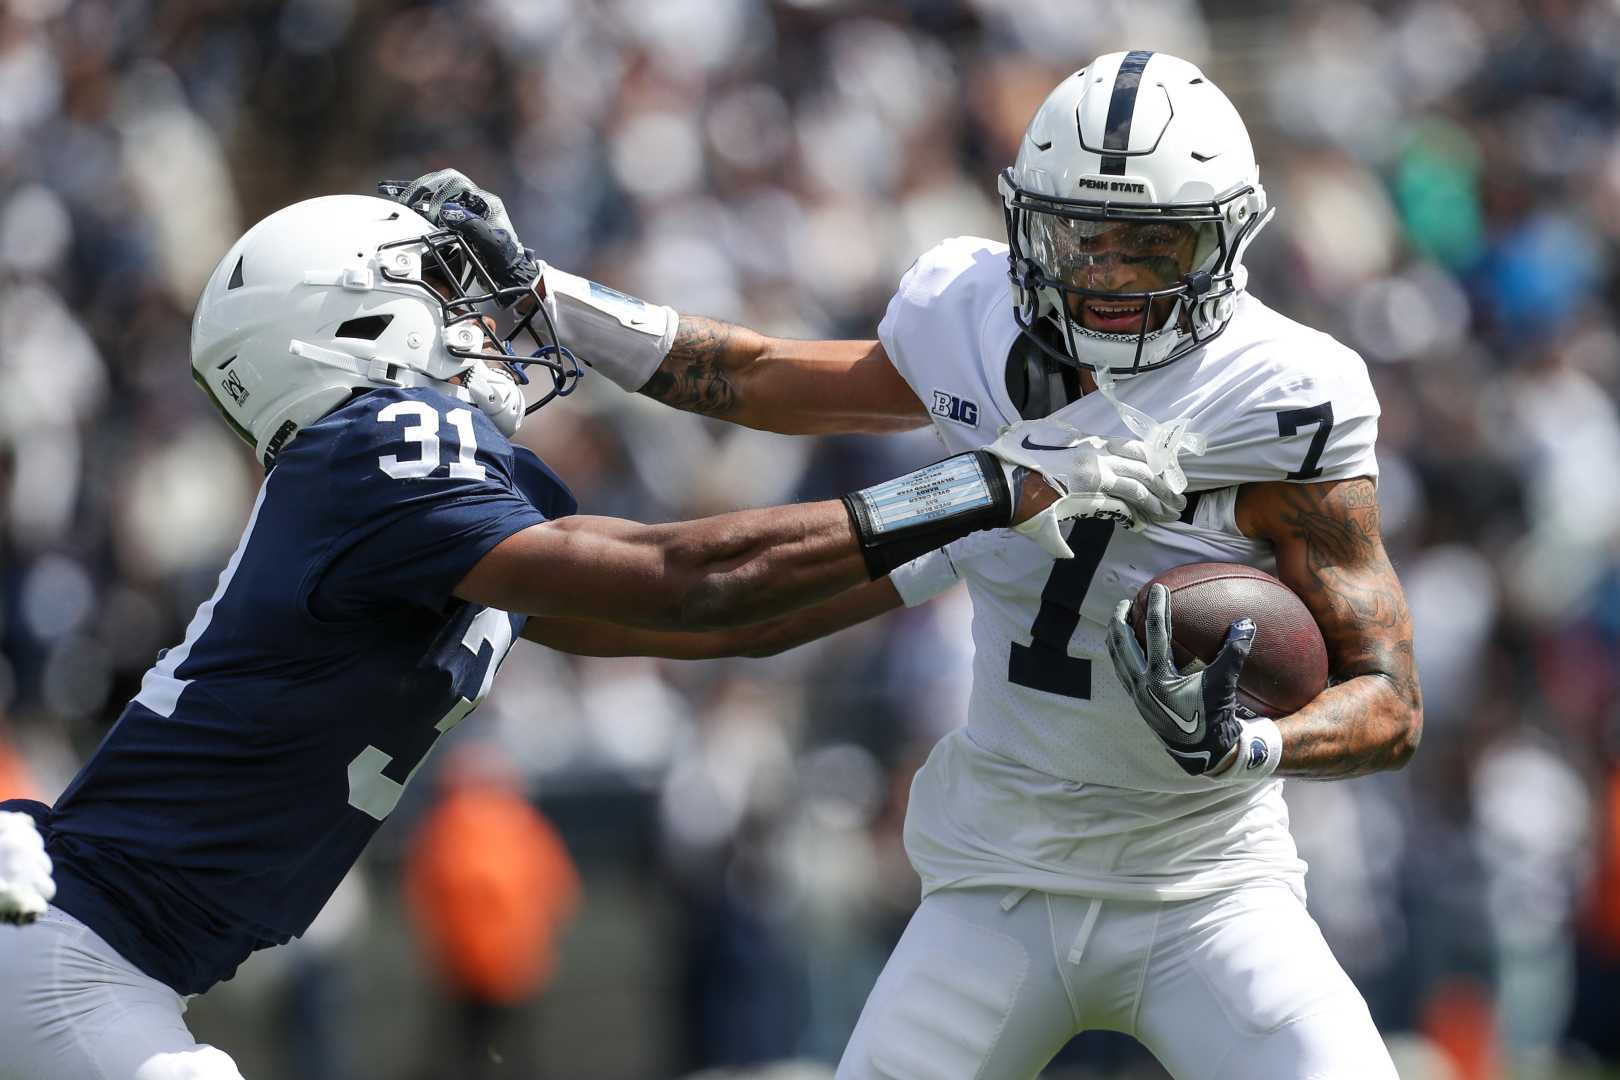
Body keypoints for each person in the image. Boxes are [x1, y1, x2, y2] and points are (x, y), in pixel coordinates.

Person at [392, 49, 1425, 1079]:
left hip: (1211, 887)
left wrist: (1258, 749)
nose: (1109, 274)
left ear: (1227, 237)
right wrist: (545, 296)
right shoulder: (966, 316)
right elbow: (758, 380)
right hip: (999, 881)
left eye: (1154, 245)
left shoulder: (1287, 393)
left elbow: (1391, 704)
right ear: (1025, 223)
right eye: (1081, 235)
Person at [0, 192, 1183, 1079]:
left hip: (97, 957)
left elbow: (723, 631)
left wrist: (958, 553)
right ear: (348, 321)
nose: (479, 317)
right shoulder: (374, 451)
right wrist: (980, 492)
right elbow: (685, 580)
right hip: (79, 959)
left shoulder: (396, 507)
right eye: (442, 287)